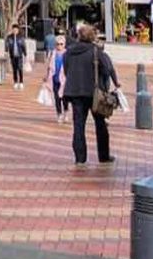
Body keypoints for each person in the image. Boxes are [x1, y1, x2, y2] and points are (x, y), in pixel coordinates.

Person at [61, 23, 120, 166]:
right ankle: (103, 156)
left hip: (75, 93)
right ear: (92, 37)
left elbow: (66, 69)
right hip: (94, 93)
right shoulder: (96, 51)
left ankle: (80, 158)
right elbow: (107, 69)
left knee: (78, 126)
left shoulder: (68, 52)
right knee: (100, 124)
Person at [46, 34, 69, 122]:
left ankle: (66, 112)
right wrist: (46, 75)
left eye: (61, 44)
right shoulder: (52, 53)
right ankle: (59, 113)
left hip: (64, 79)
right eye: (57, 44)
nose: (59, 46)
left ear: (64, 44)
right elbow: (48, 66)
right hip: (55, 78)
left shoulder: (67, 54)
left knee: (64, 97)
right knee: (57, 98)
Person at [5, 25, 27, 89]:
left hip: (19, 55)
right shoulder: (9, 37)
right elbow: (7, 44)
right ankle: (15, 82)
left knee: (20, 69)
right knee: (14, 69)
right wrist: (6, 51)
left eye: (16, 30)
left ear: (18, 30)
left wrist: (25, 54)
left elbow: (24, 46)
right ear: (12, 30)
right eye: (13, 29)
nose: (15, 31)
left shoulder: (21, 37)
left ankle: (21, 82)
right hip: (12, 56)